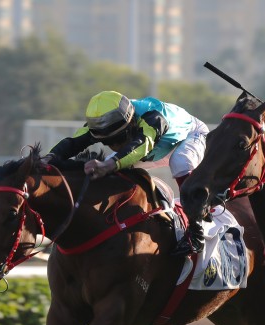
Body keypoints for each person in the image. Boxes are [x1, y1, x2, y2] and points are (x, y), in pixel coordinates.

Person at [43, 90, 208, 254]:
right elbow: (73, 142)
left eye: (119, 138)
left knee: (180, 163)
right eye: (107, 142)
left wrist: (109, 165)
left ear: (130, 123)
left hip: (188, 136)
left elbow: (142, 144)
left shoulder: (153, 116)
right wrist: (48, 158)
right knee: (110, 170)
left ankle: (196, 231)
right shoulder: (106, 121)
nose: (115, 145)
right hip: (153, 147)